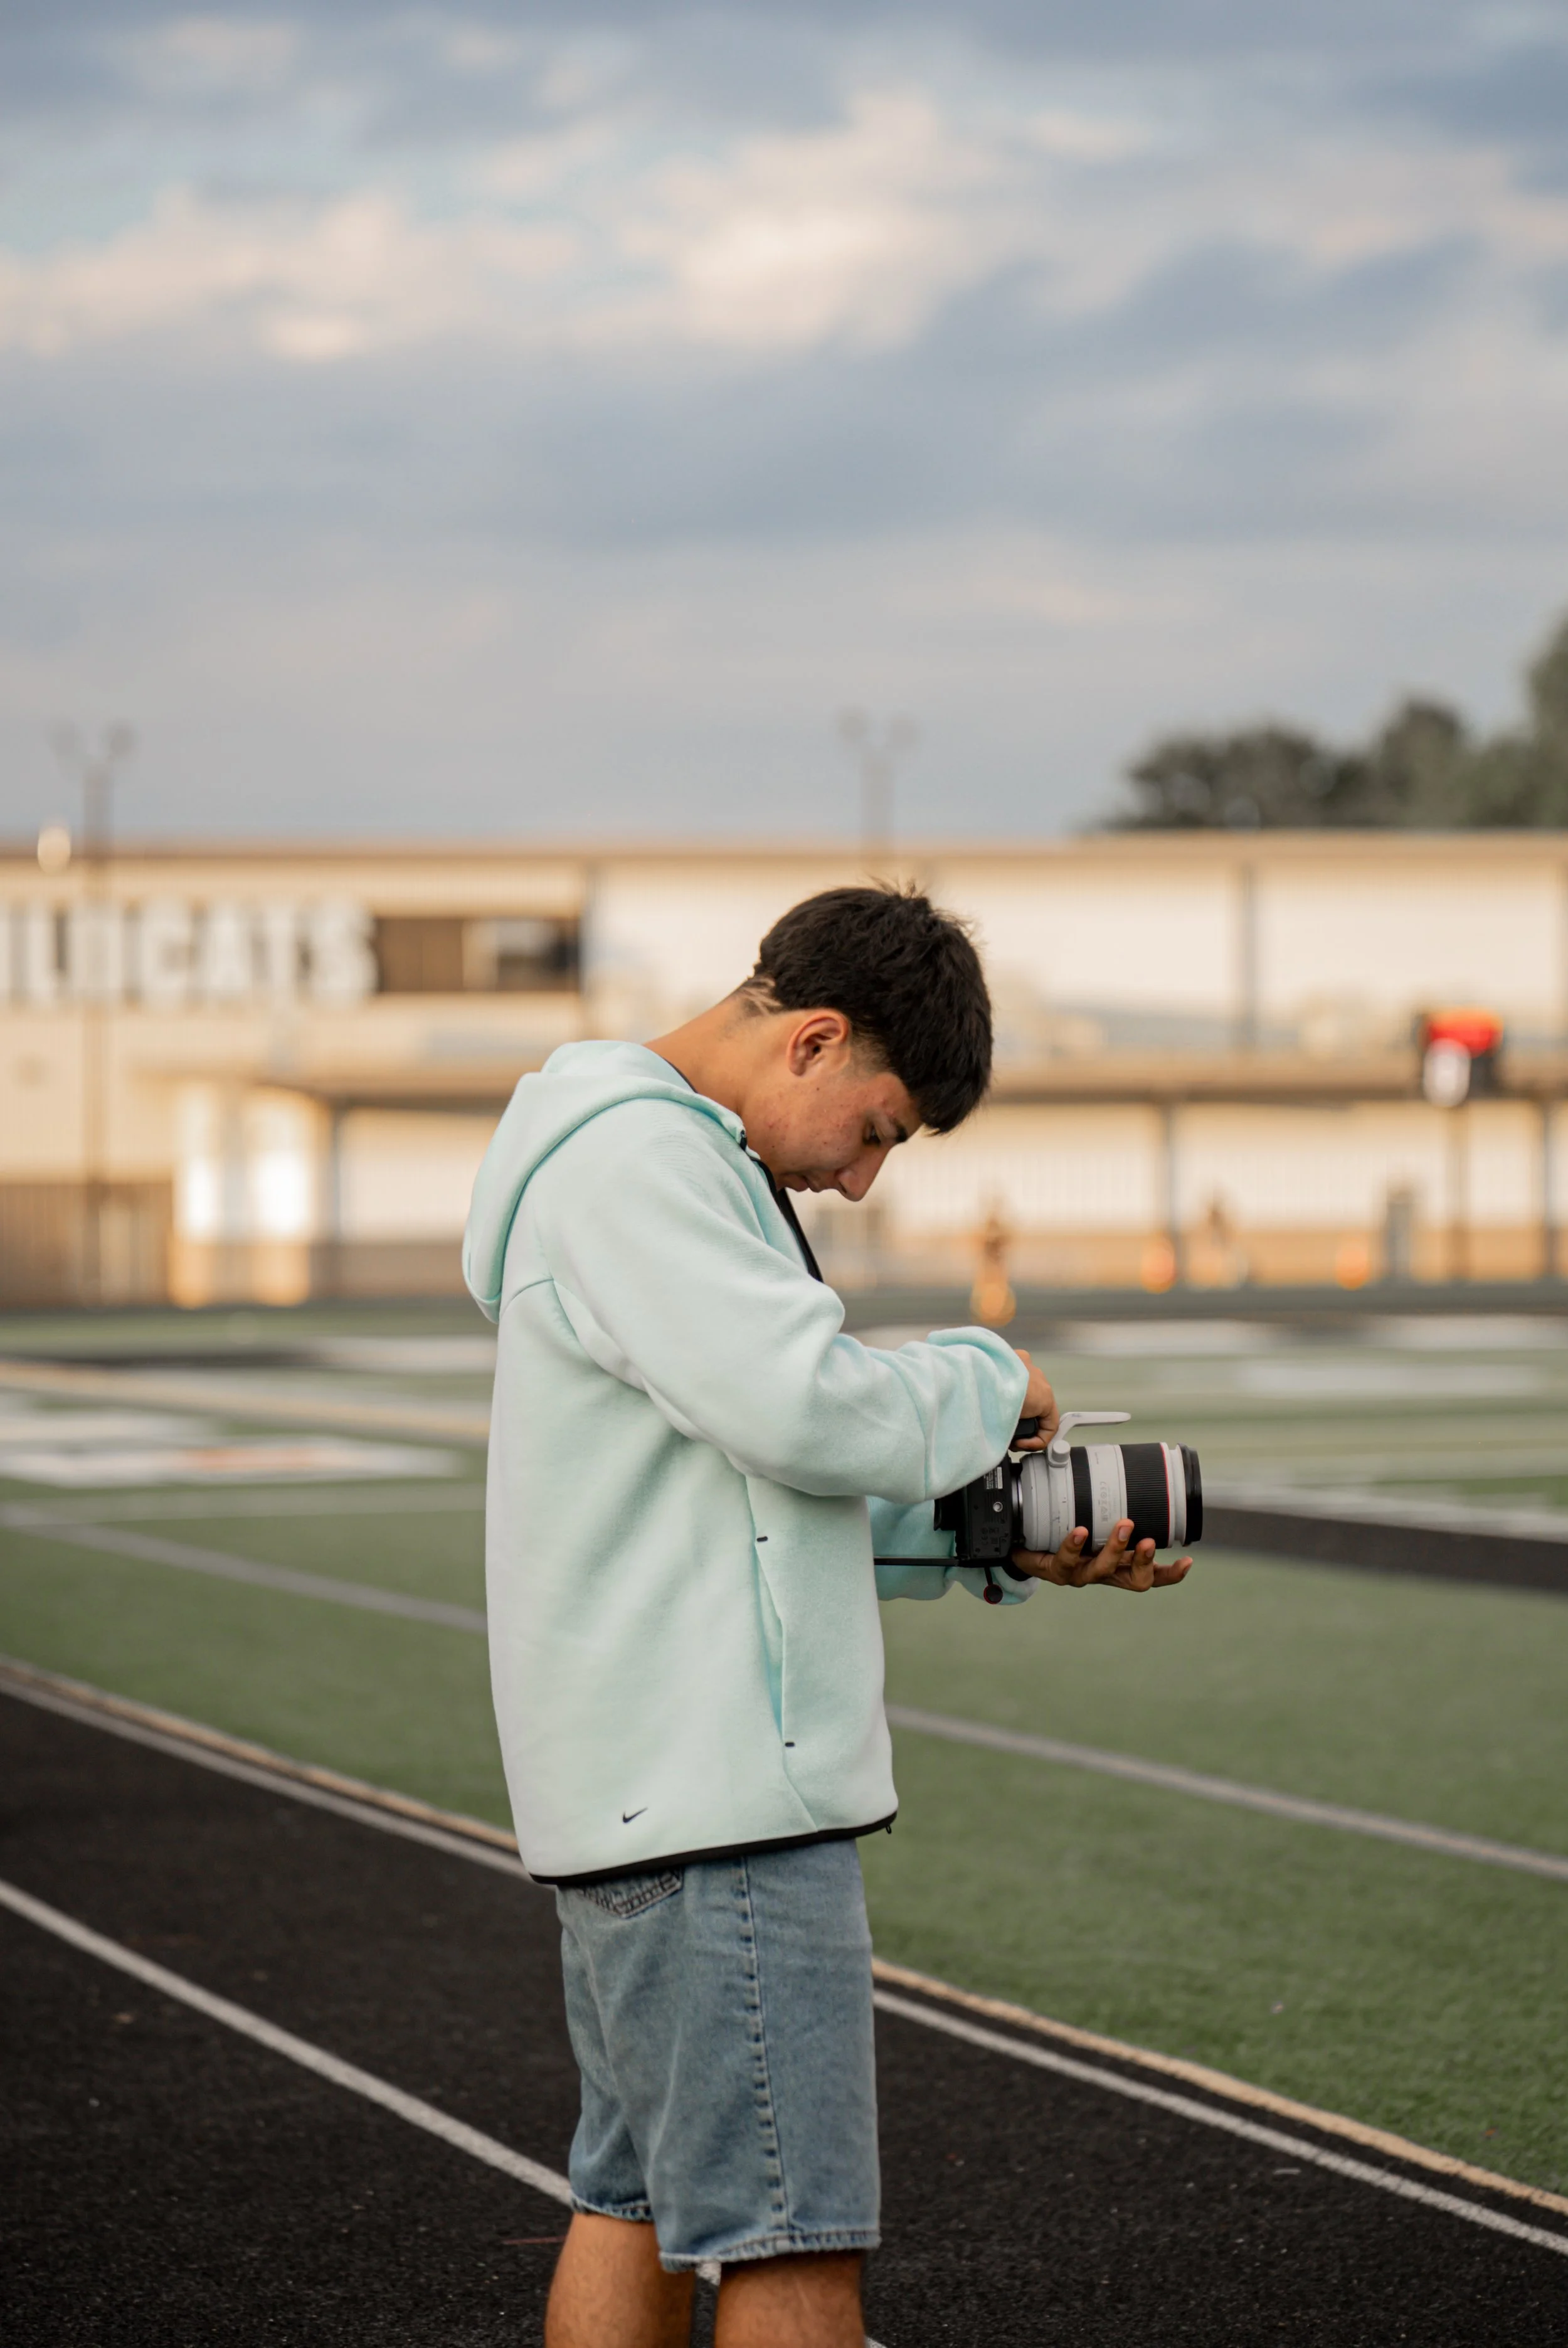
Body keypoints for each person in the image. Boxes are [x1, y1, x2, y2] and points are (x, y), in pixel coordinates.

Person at [462, 884, 1191, 2348]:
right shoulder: (638, 1164)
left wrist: (988, 1538)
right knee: (794, 2255)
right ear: (810, 1040)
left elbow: (733, 1488)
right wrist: (989, 1381)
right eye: (879, 1129)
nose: (862, 1181)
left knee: (635, 2210)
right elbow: (795, 1404)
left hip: (651, 1791)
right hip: (718, 1800)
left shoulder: (638, 1158)